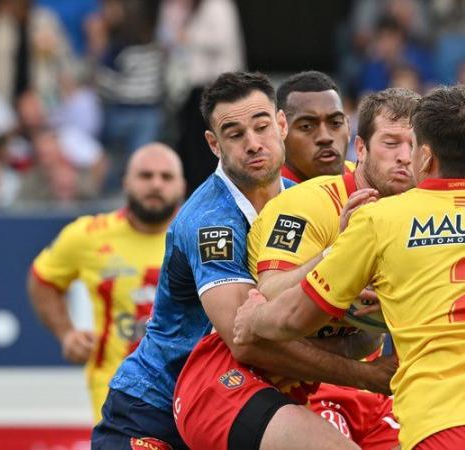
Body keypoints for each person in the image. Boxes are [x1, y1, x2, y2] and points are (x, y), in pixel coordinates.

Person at [234, 85, 465, 450]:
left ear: (425, 155)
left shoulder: (381, 219)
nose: (403, 158)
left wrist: (252, 319)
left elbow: (293, 316)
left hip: (446, 421)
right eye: (391, 143)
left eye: (409, 146)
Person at [93, 71, 394, 450]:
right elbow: (248, 341)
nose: (253, 144)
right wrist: (363, 375)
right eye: (235, 134)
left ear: (281, 125)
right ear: (214, 144)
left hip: (243, 399)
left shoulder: (301, 199)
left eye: (262, 127)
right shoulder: (211, 223)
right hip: (155, 407)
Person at [173, 73, 413, 450]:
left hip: (303, 386)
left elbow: (359, 334)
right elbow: (248, 334)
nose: (405, 156)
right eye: (392, 143)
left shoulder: (402, 214)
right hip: (204, 383)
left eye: (335, 122)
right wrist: (340, 260)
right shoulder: (220, 220)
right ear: (363, 148)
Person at [28, 143, 185, 422]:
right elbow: (43, 280)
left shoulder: (200, 236)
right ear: (126, 182)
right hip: (116, 393)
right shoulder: (89, 235)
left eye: (166, 177)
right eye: (146, 176)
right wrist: (66, 333)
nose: (156, 184)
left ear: (182, 186)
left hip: (187, 390)